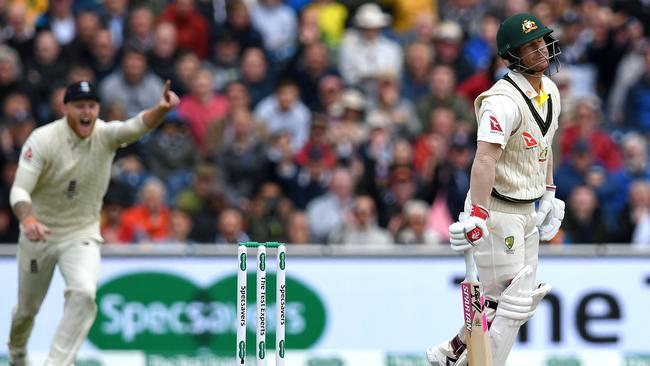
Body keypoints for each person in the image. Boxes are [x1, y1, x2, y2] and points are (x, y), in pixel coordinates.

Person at [7, 79, 179, 365]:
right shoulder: (43, 139)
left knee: (85, 293)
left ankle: (56, 363)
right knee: (27, 310)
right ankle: (17, 354)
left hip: (81, 233)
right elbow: (19, 189)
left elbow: (136, 126)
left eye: (92, 106)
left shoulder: (106, 134)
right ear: (65, 108)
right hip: (39, 232)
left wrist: (161, 109)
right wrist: (27, 219)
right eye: (79, 106)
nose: (86, 112)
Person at [426, 13, 565, 366]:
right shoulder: (500, 101)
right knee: (509, 302)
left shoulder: (550, 90)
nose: (542, 50)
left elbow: (543, 145)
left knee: (512, 301)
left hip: (527, 210)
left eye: (542, 41)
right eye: (531, 46)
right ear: (512, 54)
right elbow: (484, 160)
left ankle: (450, 353)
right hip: (497, 208)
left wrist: (548, 192)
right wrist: (477, 214)